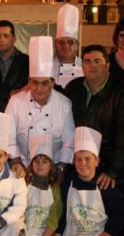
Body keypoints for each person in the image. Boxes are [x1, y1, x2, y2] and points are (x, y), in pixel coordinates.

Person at [65, 45, 124, 236]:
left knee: (117, 206)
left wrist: (112, 171)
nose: (92, 66)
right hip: (83, 160)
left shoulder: (122, 94)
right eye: (88, 61)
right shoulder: (74, 88)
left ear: (107, 65)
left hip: (111, 161)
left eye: (97, 61)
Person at [53, 126, 124, 236]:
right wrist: (59, 231)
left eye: (88, 159)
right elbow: (63, 211)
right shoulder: (68, 183)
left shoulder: (105, 184)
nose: (83, 164)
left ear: (97, 161)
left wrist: (110, 232)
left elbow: (120, 212)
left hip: (97, 235)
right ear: (73, 161)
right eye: (78, 159)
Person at [6, 36, 74, 177]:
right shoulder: (15, 102)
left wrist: (61, 167)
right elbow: (8, 136)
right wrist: (16, 161)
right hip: (22, 167)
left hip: (53, 168)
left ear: (52, 83)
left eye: (44, 83)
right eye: (35, 83)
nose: (39, 88)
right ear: (29, 82)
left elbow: (69, 140)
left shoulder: (64, 103)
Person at [16, 135, 62, 236]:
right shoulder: (24, 184)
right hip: (25, 233)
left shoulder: (55, 189)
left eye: (45, 161)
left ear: (51, 166)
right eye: (36, 161)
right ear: (31, 164)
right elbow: (18, 215)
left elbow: (53, 221)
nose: (40, 165)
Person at [53, 4, 83, 89]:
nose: (65, 46)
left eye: (70, 42)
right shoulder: (46, 67)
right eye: (61, 42)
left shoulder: (85, 67)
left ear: (77, 45)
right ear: (55, 44)